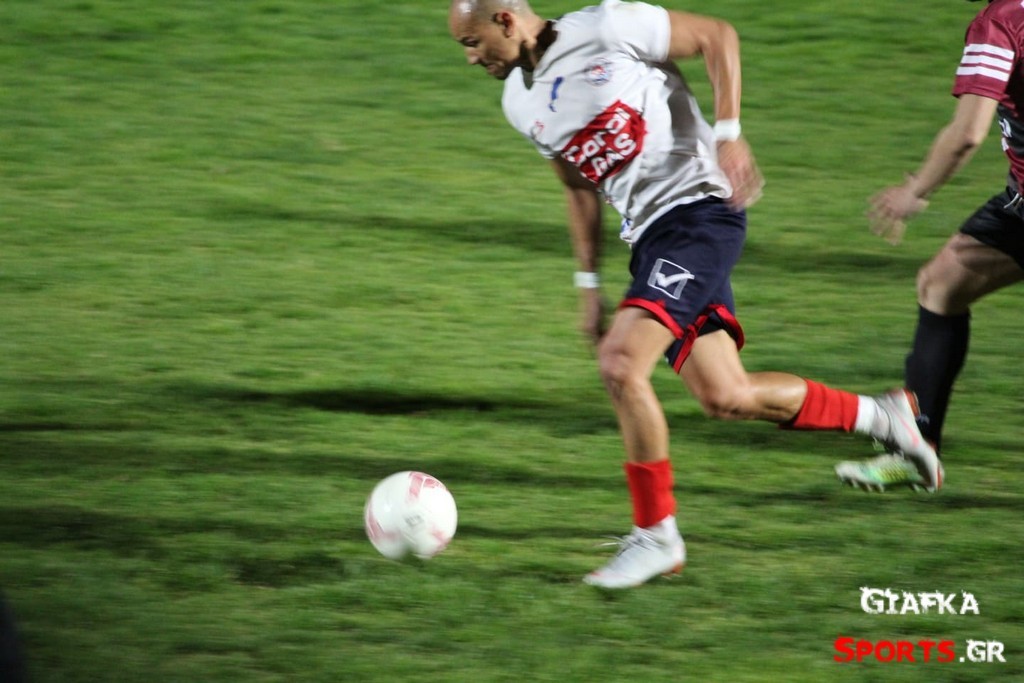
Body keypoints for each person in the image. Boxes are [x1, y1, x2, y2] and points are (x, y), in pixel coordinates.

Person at [447, 0, 941, 589]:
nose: (470, 58)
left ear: (505, 20)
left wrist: (728, 135)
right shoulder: (519, 102)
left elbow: (716, 36)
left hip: (700, 214)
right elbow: (578, 188)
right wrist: (588, 283)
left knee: (621, 363)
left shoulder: (607, 26)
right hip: (651, 241)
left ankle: (656, 536)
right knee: (726, 395)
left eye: (472, 42)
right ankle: (883, 416)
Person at [834, 0, 1024, 492]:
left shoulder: (1002, 22)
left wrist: (915, 191)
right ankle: (916, 448)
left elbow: (967, 133)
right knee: (941, 285)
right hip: (1018, 204)